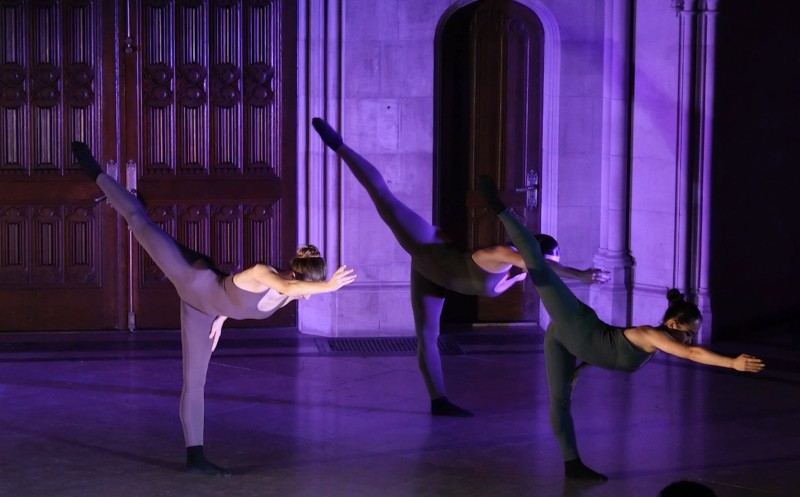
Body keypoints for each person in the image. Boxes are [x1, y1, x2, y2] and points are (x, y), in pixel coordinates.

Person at [71, 142, 357, 477]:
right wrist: (330, 286)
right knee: (138, 220)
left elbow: (261, 297)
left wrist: (222, 316)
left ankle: (195, 457)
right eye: (309, 290)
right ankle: (95, 171)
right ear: (296, 277)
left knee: (195, 382)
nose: (308, 298)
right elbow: (284, 289)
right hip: (193, 277)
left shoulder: (294, 292)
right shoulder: (264, 273)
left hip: (202, 311)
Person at [311, 118, 608, 418]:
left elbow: (548, 283)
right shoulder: (502, 255)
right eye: (548, 263)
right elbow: (537, 264)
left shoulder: (521, 274)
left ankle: (438, 401)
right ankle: (340, 146)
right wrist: (580, 274)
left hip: (431, 275)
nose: (548, 270)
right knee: (384, 198)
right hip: (427, 246)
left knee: (428, 336)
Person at [477, 174, 765, 482]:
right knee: (536, 263)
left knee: (559, 403)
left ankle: (572, 465)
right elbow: (692, 355)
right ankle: (499, 208)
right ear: (672, 324)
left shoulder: (654, 341)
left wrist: (580, 368)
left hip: (564, 339)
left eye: (690, 335)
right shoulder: (653, 336)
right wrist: (732, 363)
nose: (688, 339)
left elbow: (606, 351)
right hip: (575, 322)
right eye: (688, 333)